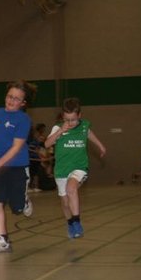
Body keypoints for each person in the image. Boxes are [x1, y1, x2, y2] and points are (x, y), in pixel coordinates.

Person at [0, 80, 36, 253]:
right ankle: (2, 239)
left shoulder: (24, 119)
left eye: (16, 99)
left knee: (17, 208)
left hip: (17, 166)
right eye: (10, 96)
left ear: (23, 103)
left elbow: (16, 147)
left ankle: (24, 201)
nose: (11, 100)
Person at [43, 97, 107, 239]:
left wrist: (100, 145)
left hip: (79, 166)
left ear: (79, 115)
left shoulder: (84, 126)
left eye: (73, 119)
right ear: (63, 117)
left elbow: (88, 133)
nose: (70, 123)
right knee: (65, 203)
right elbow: (47, 144)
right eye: (67, 120)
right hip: (61, 170)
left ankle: (77, 221)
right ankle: (70, 223)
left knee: (71, 188)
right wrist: (60, 132)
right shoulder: (58, 128)